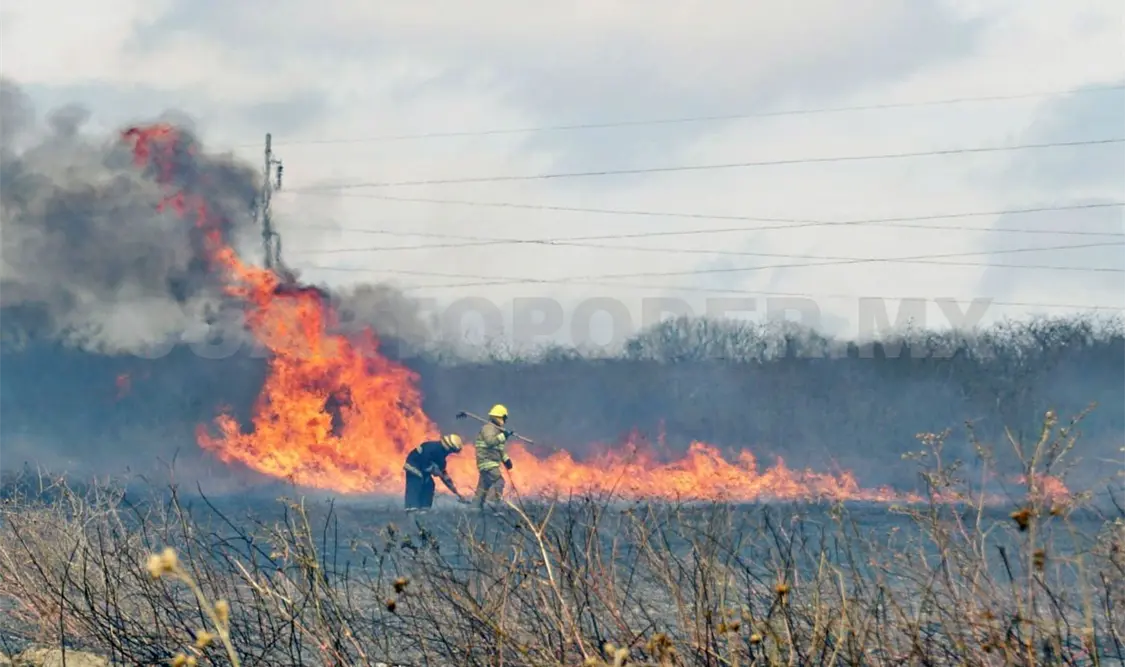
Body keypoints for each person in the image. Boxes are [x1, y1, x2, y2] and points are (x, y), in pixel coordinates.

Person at [403, 434, 467, 511]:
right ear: (449, 447)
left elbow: (444, 476)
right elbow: (424, 462)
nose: (451, 452)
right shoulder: (431, 447)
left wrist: (456, 492)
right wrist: (434, 470)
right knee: (415, 483)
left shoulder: (441, 457)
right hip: (413, 465)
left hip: (423, 470)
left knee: (429, 484)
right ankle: (411, 509)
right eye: (452, 450)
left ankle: (424, 509)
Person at [473, 404, 514, 508]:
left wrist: (506, 460)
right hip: (488, 462)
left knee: (483, 487)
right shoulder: (488, 428)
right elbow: (490, 442)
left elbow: (498, 449)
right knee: (499, 481)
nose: (505, 420)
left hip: (488, 462)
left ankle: (475, 508)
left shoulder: (496, 430)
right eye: (504, 418)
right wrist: (503, 436)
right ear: (500, 417)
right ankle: (491, 505)